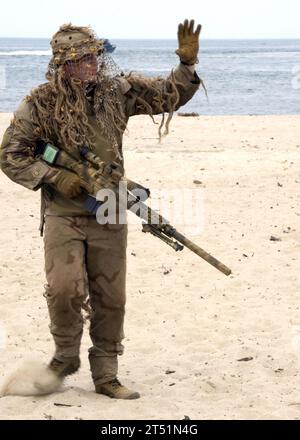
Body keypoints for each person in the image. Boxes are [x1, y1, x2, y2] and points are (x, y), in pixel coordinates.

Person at [0, 19, 202, 399]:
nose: (92, 63)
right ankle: (64, 357)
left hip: (110, 208)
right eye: (82, 59)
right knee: (64, 289)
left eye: (94, 56)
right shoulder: (40, 102)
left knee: (111, 296)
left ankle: (106, 373)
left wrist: (187, 66)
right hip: (63, 212)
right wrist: (56, 178)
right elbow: (11, 154)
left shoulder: (117, 92)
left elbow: (168, 94)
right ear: (63, 65)